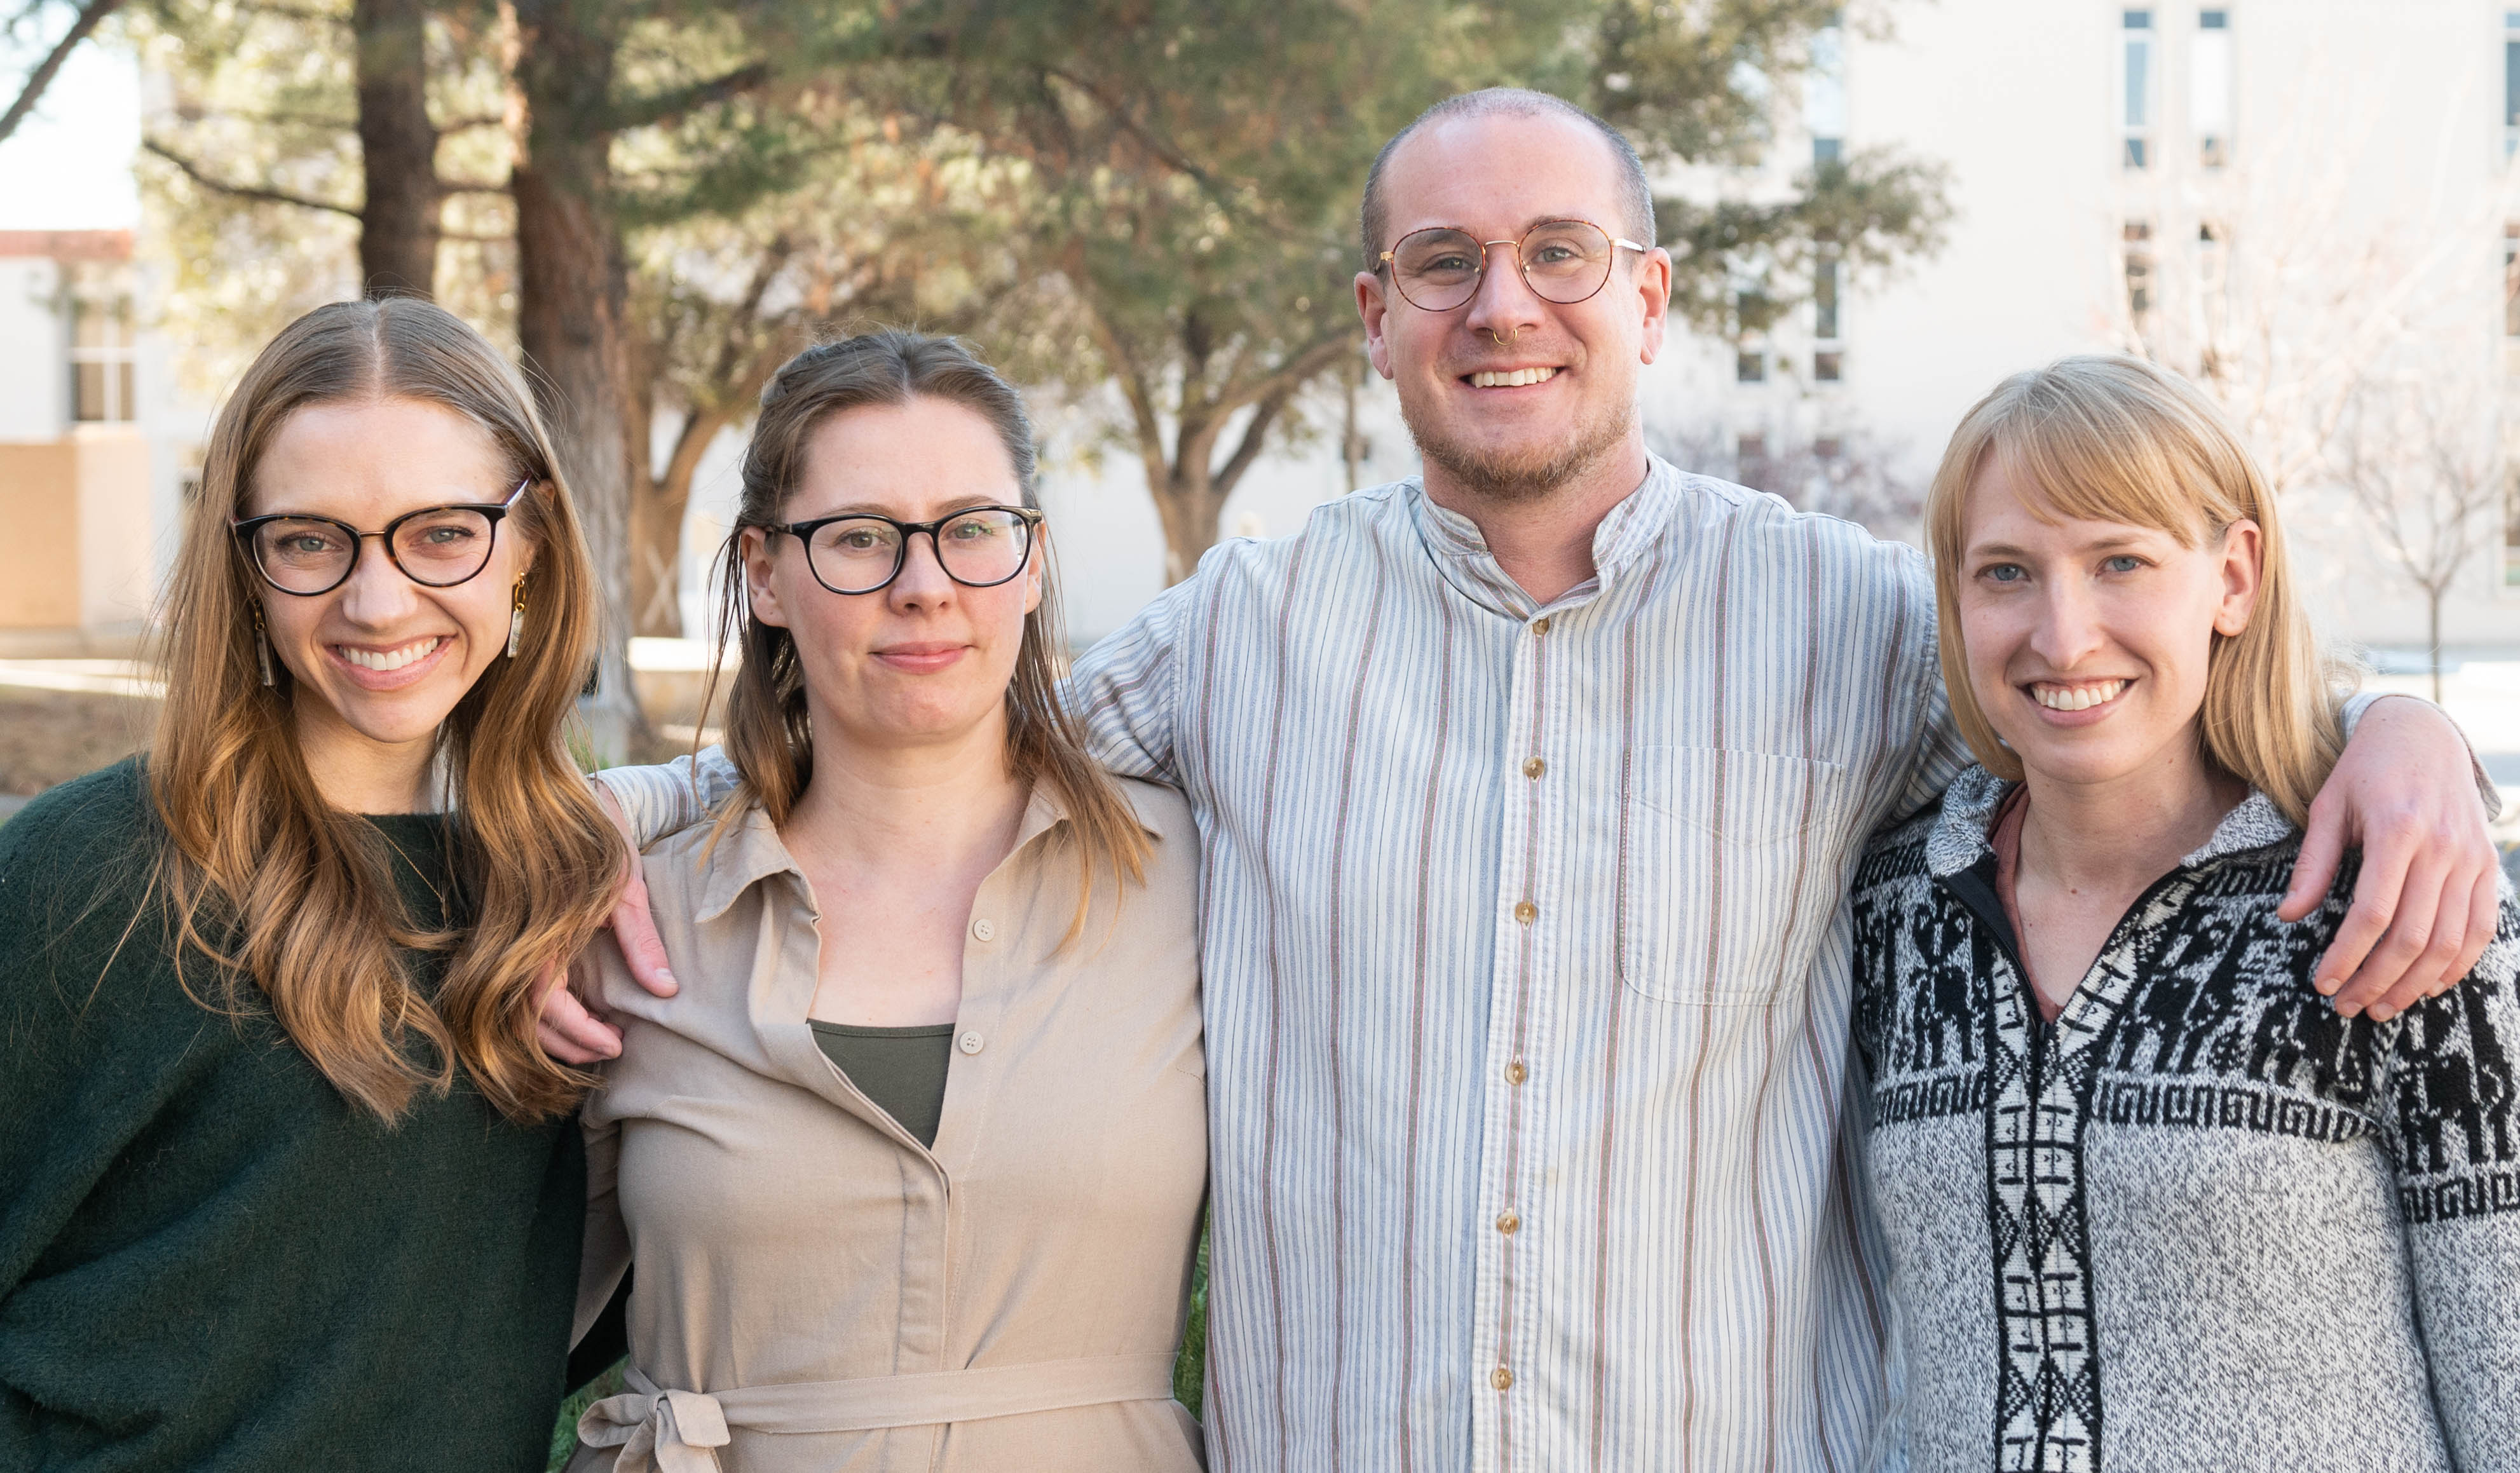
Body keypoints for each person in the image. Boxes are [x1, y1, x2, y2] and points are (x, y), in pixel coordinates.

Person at [562, 92, 2500, 1469]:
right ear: (1376, 319)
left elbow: (2110, 685)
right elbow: (929, 722)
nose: (1503, 305)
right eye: (1442, 261)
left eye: (1556, 253)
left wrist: (2391, 741)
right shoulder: (1248, 625)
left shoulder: (1841, 618)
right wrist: (576, 823)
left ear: (1645, 297)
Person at [1850, 355, 2520, 1470]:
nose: (2062, 637)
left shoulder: (2399, 901)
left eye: (2120, 561)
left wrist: (2402, 720)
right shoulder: (1896, 903)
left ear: (2233, 577)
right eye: (2006, 572)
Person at [563, 332, 1206, 1472]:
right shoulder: (623, 920)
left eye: (971, 531)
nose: (925, 586)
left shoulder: (1191, 886)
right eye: (859, 538)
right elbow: (458, 1324)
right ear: (763, 573)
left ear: (1033, 561)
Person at [0, 297, 623, 1469]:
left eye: (443, 533)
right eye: (309, 539)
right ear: (243, 561)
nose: (377, 600)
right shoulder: (101, 875)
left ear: (532, 539)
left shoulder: (573, 883)